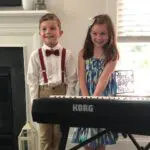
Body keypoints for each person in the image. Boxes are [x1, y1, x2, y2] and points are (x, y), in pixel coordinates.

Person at [27, 13, 77, 150]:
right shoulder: (35, 55)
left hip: (61, 95)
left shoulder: (68, 55)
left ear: (60, 32)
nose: (48, 32)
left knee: (59, 133)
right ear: (39, 33)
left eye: (52, 28)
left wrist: (68, 100)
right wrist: (34, 103)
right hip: (43, 95)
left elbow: (72, 80)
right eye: (44, 29)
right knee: (44, 135)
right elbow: (32, 81)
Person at [71, 14, 119, 150]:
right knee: (87, 138)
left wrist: (94, 100)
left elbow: (103, 79)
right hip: (86, 95)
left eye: (103, 33)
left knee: (100, 137)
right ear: (89, 33)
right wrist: (87, 100)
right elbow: (81, 77)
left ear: (110, 34)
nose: (98, 37)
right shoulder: (83, 53)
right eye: (95, 33)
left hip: (102, 97)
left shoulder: (112, 55)